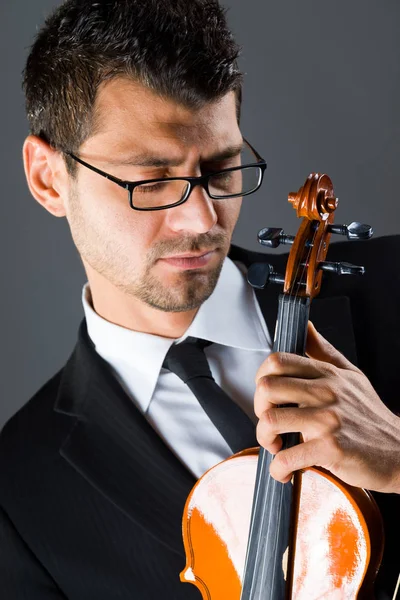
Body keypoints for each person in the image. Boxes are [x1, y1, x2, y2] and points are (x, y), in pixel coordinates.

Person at [0, 0, 399, 598]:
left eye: (219, 168)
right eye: (151, 179)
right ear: (49, 178)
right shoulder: (17, 493)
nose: (200, 218)